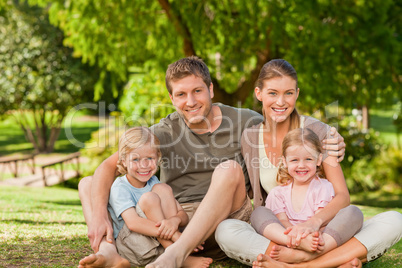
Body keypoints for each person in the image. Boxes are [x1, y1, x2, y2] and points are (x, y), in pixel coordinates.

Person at [77, 56, 345, 268]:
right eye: (181, 95)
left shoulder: (246, 121)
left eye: (197, 91)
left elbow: (285, 121)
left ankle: (176, 255)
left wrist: (329, 138)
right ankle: (109, 252)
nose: (190, 101)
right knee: (89, 184)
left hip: (227, 216)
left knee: (229, 170)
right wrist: (99, 216)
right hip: (174, 220)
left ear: (211, 89)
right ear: (171, 98)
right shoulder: (163, 132)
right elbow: (108, 166)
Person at [215, 59, 402, 268]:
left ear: (297, 93)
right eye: (273, 93)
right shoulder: (249, 138)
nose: (280, 102)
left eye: (288, 93)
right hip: (281, 235)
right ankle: (333, 260)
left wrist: (313, 224)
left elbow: (342, 196)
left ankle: (300, 264)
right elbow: (254, 200)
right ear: (259, 93)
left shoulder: (319, 132)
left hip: (323, 232)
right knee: (226, 230)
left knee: (395, 221)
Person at [106, 127, 212, 267]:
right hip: (132, 246)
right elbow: (133, 223)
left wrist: (174, 221)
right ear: (124, 161)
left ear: (158, 158)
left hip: (155, 244)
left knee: (163, 188)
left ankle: (174, 251)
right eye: (136, 159)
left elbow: (183, 216)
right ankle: (179, 253)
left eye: (149, 158)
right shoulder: (120, 187)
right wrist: (177, 236)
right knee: (149, 198)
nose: (143, 165)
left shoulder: (154, 183)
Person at [257, 128, 363, 263]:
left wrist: (311, 238)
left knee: (353, 212)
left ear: (318, 160)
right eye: (294, 160)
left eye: (308, 159)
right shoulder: (277, 193)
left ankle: (304, 257)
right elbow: (281, 222)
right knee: (259, 212)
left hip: (317, 238)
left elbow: (322, 222)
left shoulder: (323, 187)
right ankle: (319, 257)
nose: (301, 165)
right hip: (288, 238)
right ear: (284, 161)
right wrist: (298, 239)